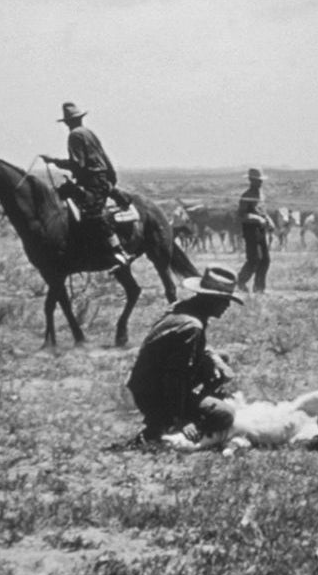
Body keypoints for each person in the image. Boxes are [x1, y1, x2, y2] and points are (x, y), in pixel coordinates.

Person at [122, 266, 244, 448]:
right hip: (155, 393)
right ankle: (168, 423)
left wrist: (217, 361)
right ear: (210, 299)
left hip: (146, 381)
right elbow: (175, 378)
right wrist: (183, 419)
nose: (227, 306)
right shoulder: (192, 327)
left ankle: (184, 409)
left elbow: (197, 352)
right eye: (224, 300)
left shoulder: (183, 309)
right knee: (225, 415)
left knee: (222, 357)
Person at [41, 102, 130, 270]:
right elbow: (105, 157)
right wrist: (111, 181)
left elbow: (77, 164)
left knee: (92, 214)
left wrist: (54, 161)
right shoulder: (89, 133)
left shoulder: (74, 135)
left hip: (92, 182)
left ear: (67, 122)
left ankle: (118, 251)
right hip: (101, 179)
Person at [237, 167, 274, 294]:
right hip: (250, 230)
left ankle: (259, 289)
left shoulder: (261, 194)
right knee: (254, 260)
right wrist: (257, 218)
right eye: (257, 180)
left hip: (261, 230)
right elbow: (241, 215)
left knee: (265, 260)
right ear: (251, 180)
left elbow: (262, 211)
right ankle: (241, 281)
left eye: (261, 180)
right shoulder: (246, 196)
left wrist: (269, 220)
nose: (260, 182)